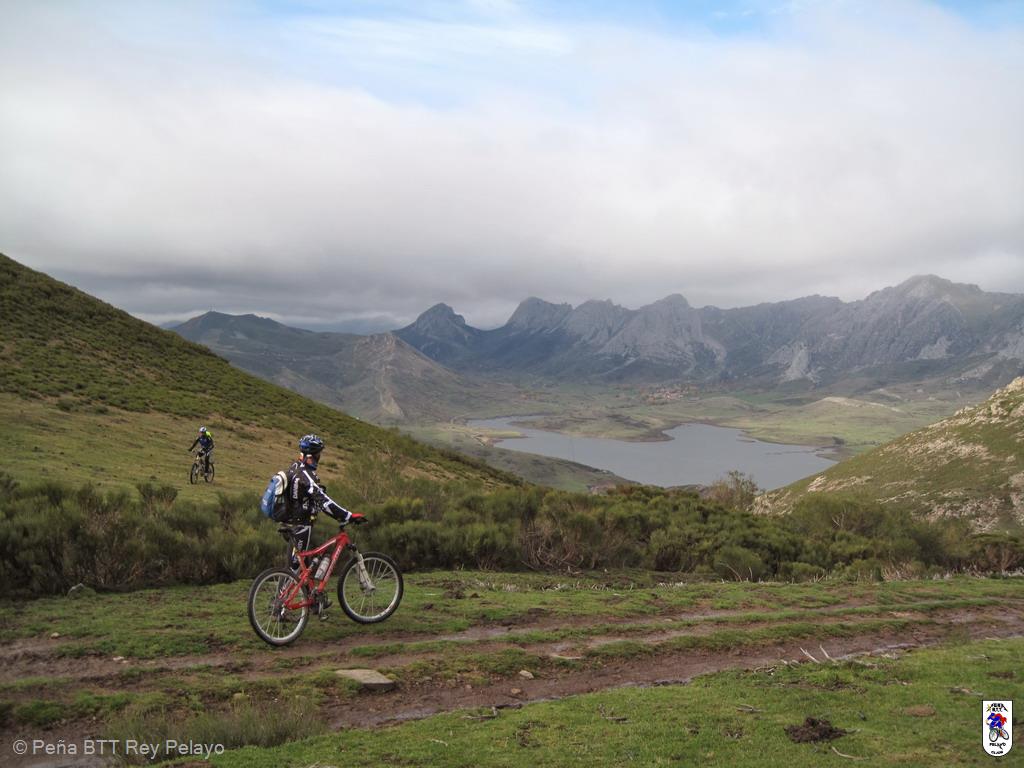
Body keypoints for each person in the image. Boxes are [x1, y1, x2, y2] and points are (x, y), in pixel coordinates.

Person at [281, 433, 361, 616]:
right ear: (314, 455)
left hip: (292, 522)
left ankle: (314, 602)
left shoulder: (294, 467)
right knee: (296, 568)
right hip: (302, 525)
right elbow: (323, 501)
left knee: (305, 565)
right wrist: (346, 515)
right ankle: (281, 608)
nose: (320, 457)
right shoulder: (306, 475)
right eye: (319, 454)